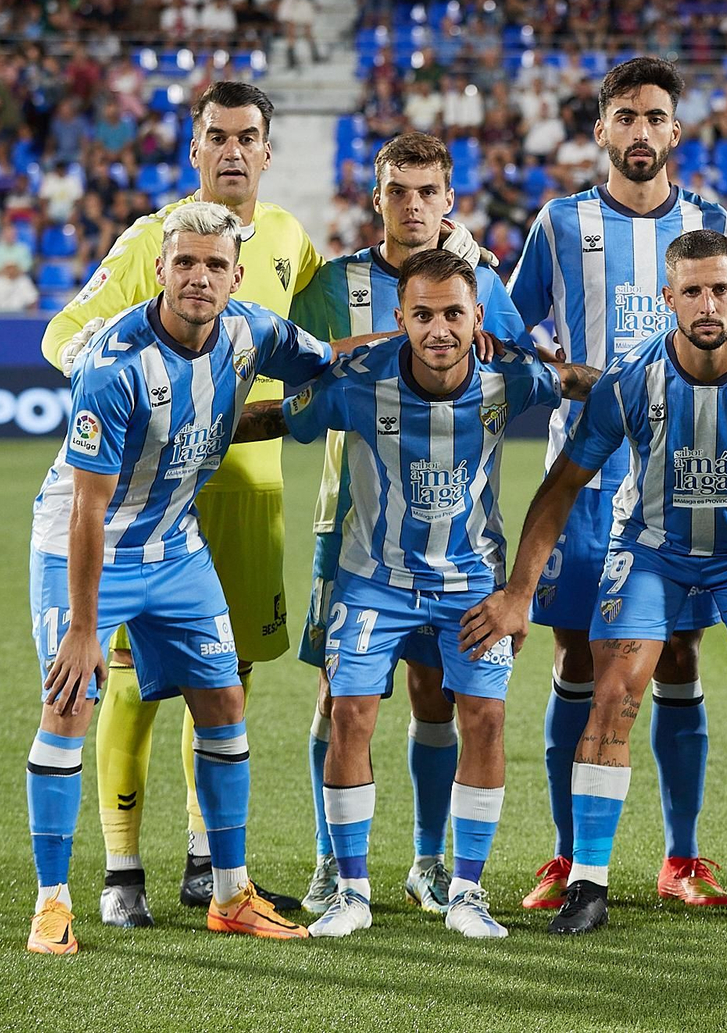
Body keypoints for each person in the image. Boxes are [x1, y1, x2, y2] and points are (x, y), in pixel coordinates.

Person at [461, 230, 727, 936]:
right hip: (653, 551)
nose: (707, 303)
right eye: (691, 289)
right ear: (668, 298)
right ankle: (589, 885)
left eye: (720, 288)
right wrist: (517, 593)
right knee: (615, 691)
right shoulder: (631, 379)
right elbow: (562, 485)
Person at [233, 249, 596, 940]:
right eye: (422, 314)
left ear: (477, 318)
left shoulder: (509, 379)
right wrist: (193, 428)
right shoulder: (357, 380)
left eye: (453, 314)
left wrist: (657, 386)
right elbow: (281, 417)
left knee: (485, 721)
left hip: (471, 588)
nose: (439, 330)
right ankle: (351, 891)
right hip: (376, 582)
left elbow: (577, 382)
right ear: (399, 318)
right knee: (349, 715)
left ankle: (465, 892)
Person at [24, 202, 336, 954]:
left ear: (236, 276)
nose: (199, 277)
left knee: (225, 698)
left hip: (176, 546)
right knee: (70, 704)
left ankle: (230, 894)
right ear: (160, 269)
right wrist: (81, 629)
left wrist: (430, 340)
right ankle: (52, 901)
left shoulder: (251, 329)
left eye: (215, 266)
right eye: (185, 263)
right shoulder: (113, 362)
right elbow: (89, 513)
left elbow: (329, 358)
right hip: (84, 551)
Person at [507, 57, 727, 911]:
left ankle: (682, 860)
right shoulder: (563, 222)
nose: (641, 131)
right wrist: (561, 372)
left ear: (674, 133)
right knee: (577, 655)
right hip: (584, 475)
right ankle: (569, 858)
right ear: (601, 130)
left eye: (656, 117)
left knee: (678, 654)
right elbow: (505, 329)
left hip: (684, 477)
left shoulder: (712, 222)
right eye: (626, 117)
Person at [287, 132, 532, 913]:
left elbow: (519, 359)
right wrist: (396, 341)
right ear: (378, 197)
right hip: (350, 518)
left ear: (450, 198)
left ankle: (430, 860)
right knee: (338, 694)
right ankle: (333, 862)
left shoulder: (484, 280)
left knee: (436, 691)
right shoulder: (335, 281)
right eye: (400, 191)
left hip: (455, 536)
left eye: (429, 192)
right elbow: (301, 363)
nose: (415, 205)